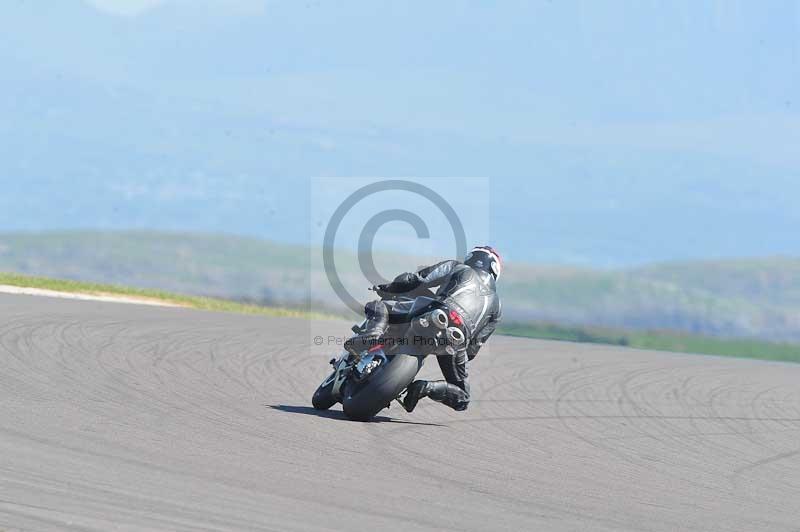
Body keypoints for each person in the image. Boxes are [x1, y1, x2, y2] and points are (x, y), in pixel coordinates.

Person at [344, 246, 503, 412]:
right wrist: (457, 356)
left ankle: (373, 334)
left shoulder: (458, 267)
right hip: (457, 339)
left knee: (379, 306)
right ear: (495, 270)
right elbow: (473, 349)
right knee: (462, 398)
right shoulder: (497, 306)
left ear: (471, 256)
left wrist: (388, 287)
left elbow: (416, 280)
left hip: (435, 311)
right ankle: (426, 388)